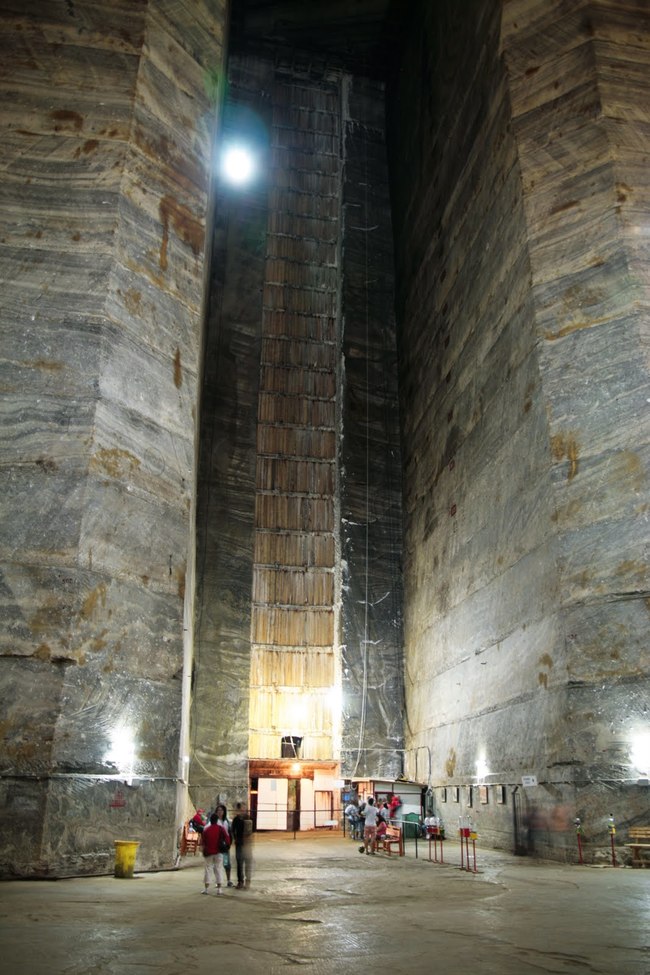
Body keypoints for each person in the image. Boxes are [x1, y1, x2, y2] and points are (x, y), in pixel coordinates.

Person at [200, 813, 230, 895]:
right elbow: (227, 839)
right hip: (218, 852)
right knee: (218, 869)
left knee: (208, 869)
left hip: (208, 852)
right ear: (217, 821)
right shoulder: (221, 828)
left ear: (210, 820)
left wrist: (203, 850)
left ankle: (206, 889)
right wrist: (226, 847)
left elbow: (202, 842)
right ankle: (219, 889)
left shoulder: (206, 830)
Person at [231, 801, 254, 888]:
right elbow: (233, 831)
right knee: (239, 863)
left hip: (247, 845)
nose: (242, 810)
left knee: (247, 863)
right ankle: (240, 881)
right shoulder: (236, 819)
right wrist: (235, 840)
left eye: (244, 808)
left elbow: (252, 831)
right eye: (241, 808)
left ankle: (248, 881)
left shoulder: (249, 818)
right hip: (239, 844)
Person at [214, 803, 234, 887]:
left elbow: (230, 833)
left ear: (224, 811)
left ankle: (228, 880)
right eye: (218, 810)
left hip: (225, 845)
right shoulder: (214, 821)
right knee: (217, 864)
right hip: (216, 845)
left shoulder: (227, 822)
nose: (220, 812)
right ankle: (218, 882)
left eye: (221, 810)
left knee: (226, 863)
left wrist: (229, 843)